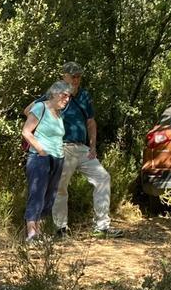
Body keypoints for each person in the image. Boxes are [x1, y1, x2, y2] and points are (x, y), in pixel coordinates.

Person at [39, 62, 118, 238]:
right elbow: (36, 111)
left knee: (103, 177)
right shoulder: (54, 93)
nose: (76, 79)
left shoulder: (84, 96)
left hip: (82, 148)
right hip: (63, 147)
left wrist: (93, 146)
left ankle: (102, 227)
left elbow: (90, 122)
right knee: (60, 187)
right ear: (64, 76)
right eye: (72, 76)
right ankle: (60, 229)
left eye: (78, 76)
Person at [21, 81, 71, 243]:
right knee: (37, 194)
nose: (67, 99)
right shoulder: (40, 107)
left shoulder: (59, 114)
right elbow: (26, 132)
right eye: (64, 95)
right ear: (55, 93)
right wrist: (41, 150)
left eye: (69, 96)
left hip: (58, 158)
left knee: (50, 196)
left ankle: (39, 232)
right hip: (40, 158)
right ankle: (31, 233)